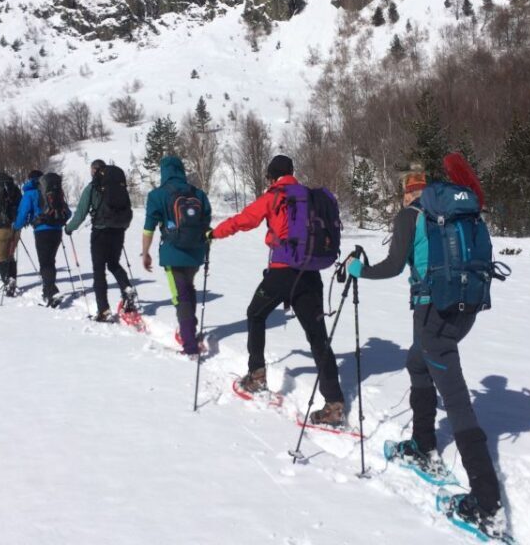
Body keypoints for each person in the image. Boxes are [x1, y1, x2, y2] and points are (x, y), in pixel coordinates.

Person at [346, 162, 504, 533]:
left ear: (406, 192)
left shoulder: (411, 217)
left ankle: (486, 503)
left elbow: (392, 266)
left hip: (432, 311)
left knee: (457, 398)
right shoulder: (458, 214)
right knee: (417, 362)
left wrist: (358, 270)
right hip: (466, 309)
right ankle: (422, 443)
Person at [209, 155, 345, 426]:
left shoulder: (275, 195)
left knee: (255, 314)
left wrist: (214, 233)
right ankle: (334, 404)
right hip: (310, 274)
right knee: (318, 337)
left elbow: (243, 220)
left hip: (282, 272)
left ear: (271, 177)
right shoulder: (308, 196)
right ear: (292, 172)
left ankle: (256, 376)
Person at [142, 156, 211, 355]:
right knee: (189, 289)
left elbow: (149, 228)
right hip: (196, 252)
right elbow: (206, 223)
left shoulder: (157, 195)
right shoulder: (198, 193)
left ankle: (189, 344)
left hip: (173, 253)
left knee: (180, 296)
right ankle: (189, 329)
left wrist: (145, 252)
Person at [65, 159, 137, 322]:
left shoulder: (92, 188)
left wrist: (69, 228)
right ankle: (127, 289)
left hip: (100, 231)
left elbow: (80, 213)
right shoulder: (119, 186)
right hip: (118, 230)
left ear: (94, 170)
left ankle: (103, 309)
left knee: (99, 270)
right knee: (113, 263)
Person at [13, 170, 71, 307]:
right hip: (57, 231)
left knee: (45, 263)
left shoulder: (30, 193)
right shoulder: (54, 190)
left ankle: (51, 292)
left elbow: (22, 213)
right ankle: (48, 290)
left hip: (42, 231)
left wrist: (16, 226)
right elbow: (68, 213)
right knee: (50, 261)